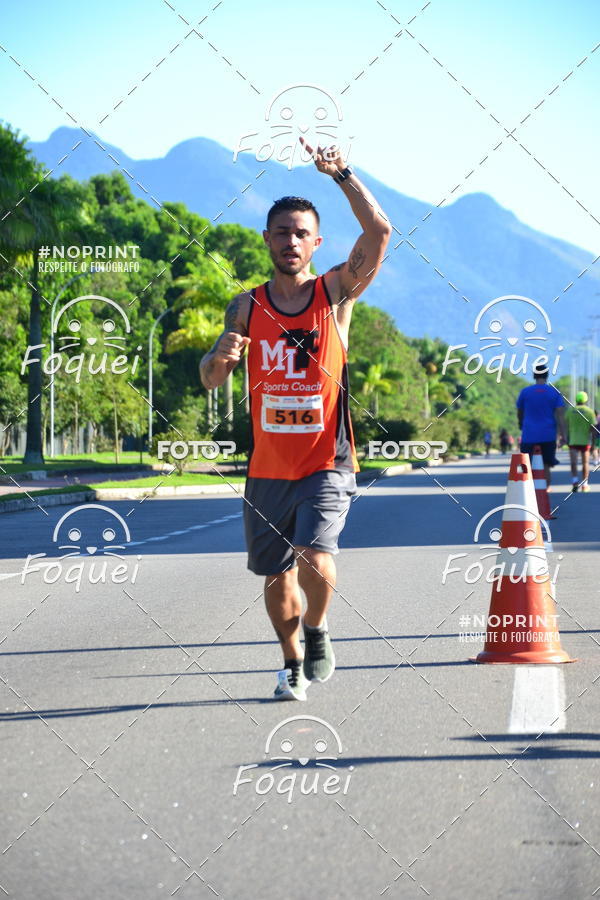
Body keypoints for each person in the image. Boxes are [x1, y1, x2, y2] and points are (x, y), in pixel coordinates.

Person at [200, 140, 391, 701]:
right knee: (274, 573)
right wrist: (220, 360)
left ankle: (317, 630)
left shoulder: (335, 292)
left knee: (315, 553)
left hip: (326, 460)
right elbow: (210, 377)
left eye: (300, 233)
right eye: (281, 231)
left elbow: (379, 233)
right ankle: (290, 663)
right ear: (267, 239)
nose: (290, 241)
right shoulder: (246, 305)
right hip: (267, 468)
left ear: (316, 243)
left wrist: (343, 175)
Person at [517, 363, 567, 489]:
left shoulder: (525, 392)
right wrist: (563, 435)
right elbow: (560, 416)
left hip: (529, 435)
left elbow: (520, 412)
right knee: (546, 465)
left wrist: (521, 424)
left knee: (527, 465)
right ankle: (545, 490)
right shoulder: (554, 393)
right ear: (547, 375)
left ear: (534, 375)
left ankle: (527, 492)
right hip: (548, 435)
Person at [565, 391, 596, 492]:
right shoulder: (590, 411)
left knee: (573, 463)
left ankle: (574, 482)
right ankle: (585, 485)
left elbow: (566, 425)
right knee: (585, 463)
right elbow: (593, 429)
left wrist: (564, 437)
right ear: (586, 400)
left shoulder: (570, 411)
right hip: (585, 441)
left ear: (576, 399)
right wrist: (593, 444)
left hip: (573, 441)